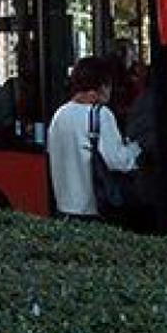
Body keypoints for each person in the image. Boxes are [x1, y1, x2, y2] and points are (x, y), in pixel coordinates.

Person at [47, 57, 140, 219]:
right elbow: (117, 161)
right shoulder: (100, 115)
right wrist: (136, 148)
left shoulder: (59, 114)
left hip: (63, 208)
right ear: (102, 87)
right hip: (92, 210)